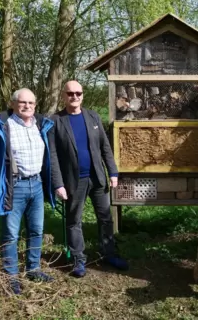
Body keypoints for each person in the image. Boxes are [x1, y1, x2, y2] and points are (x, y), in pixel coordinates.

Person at [0, 88, 55, 294]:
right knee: (11, 234)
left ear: (35, 105)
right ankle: (10, 277)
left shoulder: (42, 125)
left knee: (37, 230)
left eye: (31, 103)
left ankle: (33, 269)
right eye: (22, 102)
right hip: (15, 187)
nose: (27, 106)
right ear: (13, 103)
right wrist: (0, 180)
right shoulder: (1, 127)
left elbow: (49, 157)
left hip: (36, 185)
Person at [49, 80, 128, 278]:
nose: (74, 96)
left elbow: (105, 147)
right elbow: (52, 156)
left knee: (105, 218)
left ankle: (109, 254)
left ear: (82, 95)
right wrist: (58, 183)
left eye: (78, 93)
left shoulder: (92, 116)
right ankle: (78, 260)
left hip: (98, 178)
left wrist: (113, 172)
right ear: (63, 96)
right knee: (74, 221)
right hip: (74, 181)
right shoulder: (55, 121)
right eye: (70, 93)